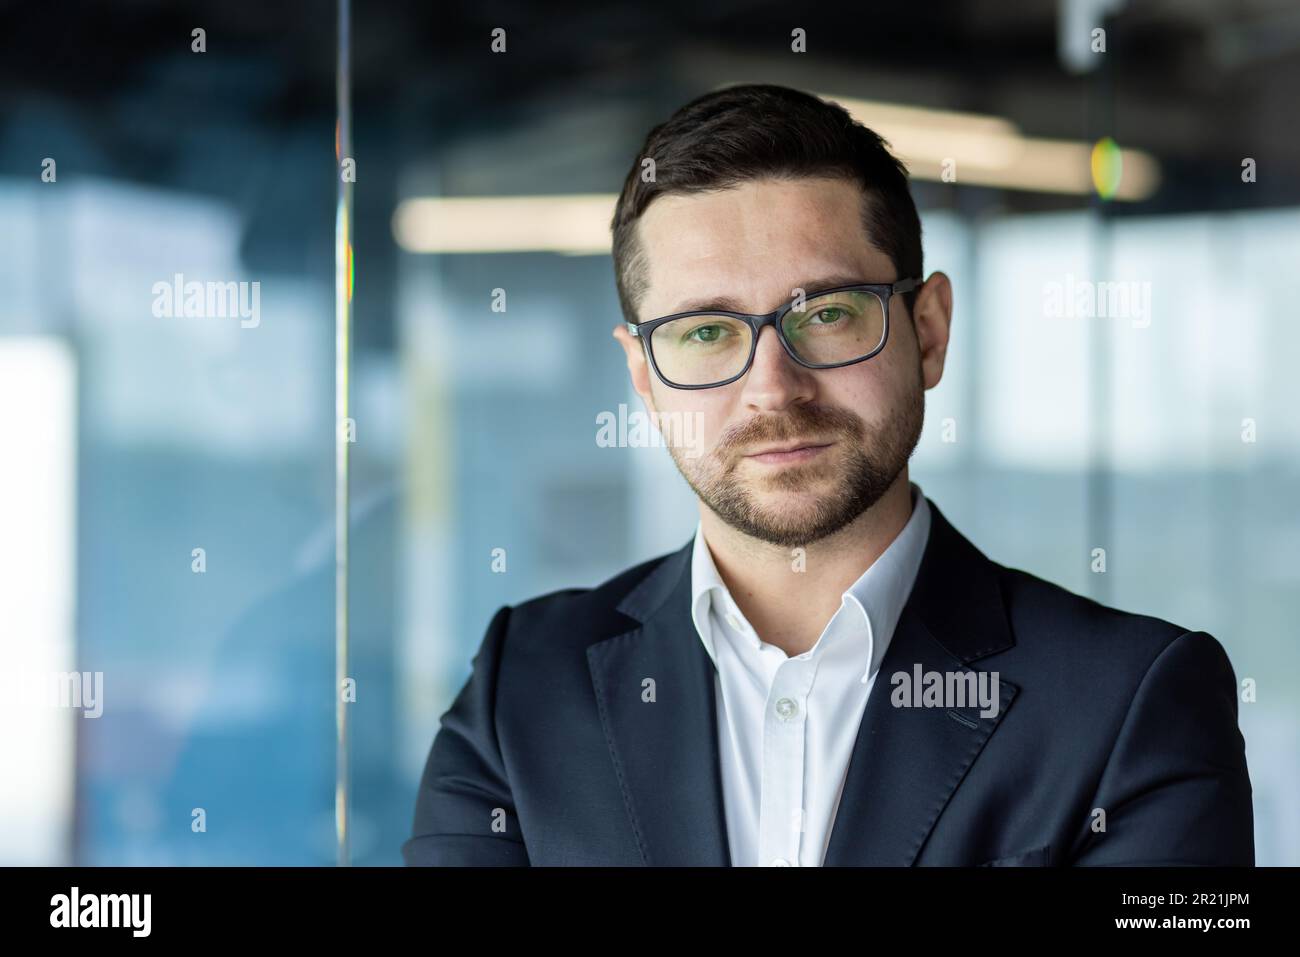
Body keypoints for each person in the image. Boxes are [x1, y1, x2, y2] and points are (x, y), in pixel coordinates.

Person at [403, 83, 1253, 866]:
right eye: (706, 333)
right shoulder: (523, 689)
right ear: (642, 377)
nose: (772, 387)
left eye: (829, 314)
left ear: (928, 331)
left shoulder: (1132, 703)